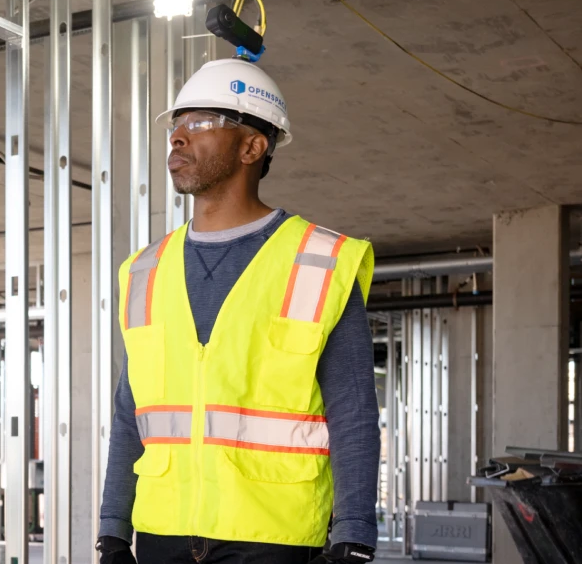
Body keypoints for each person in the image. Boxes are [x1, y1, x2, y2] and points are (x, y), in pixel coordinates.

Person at [95, 58, 381, 564]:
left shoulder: (319, 261)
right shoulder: (143, 270)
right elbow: (130, 412)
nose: (178, 137)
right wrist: (113, 528)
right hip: (163, 532)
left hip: (274, 537)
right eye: (176, 125)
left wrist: (354, 535)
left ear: (253, 146)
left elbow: (353, 411)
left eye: (201, 122)